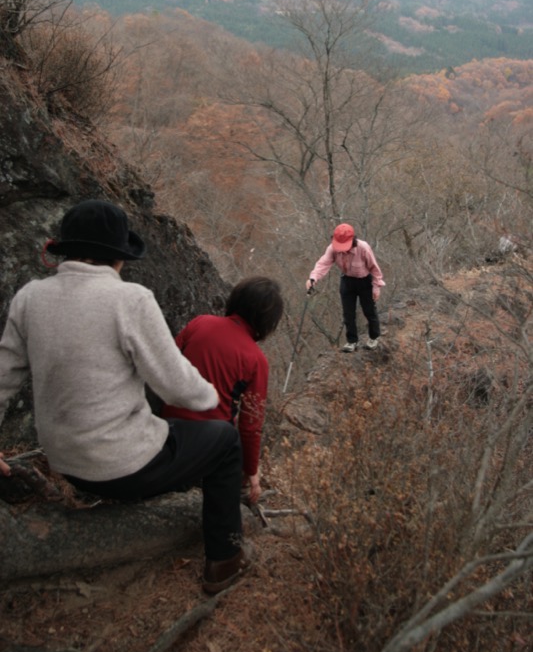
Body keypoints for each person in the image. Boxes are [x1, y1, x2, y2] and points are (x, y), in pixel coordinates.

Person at [0, 199, 252, 594]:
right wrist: (210, 396)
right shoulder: (130, 300)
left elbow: (3, 376)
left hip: (65, 460)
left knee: (161, 424)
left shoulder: (29, 297)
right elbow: (177, 386)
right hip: (120, 466)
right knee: (224, 442)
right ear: (118, 258)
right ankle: (225, 560)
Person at [162, 276, 283, 505]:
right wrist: (251, 471)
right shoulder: (256, 360)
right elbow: (250, 426)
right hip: (209, 444)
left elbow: (166, 364)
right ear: (267, 320)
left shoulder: (200, 323)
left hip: (166, 427)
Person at [306, 223, 385, 352]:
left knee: (369, 310)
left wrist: (376, 287)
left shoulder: (363, 247)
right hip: (347, 281)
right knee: (348, 313)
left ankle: (374, 337)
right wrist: (313, 278)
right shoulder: (332, 249)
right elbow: (323, 263)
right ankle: (352, 341)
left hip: (365, 282)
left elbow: (374, 268)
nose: (342, 249)